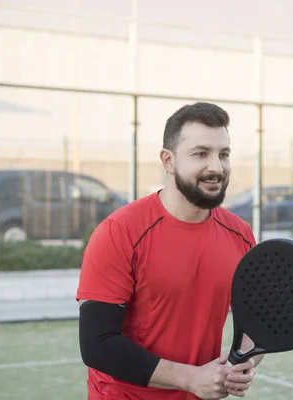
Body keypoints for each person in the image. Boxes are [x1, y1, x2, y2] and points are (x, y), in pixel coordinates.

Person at [77, 102, 264, 400]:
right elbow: (97, 343)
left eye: (223, 154)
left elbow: (255, 322)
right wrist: (191, 377)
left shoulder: (240, 235)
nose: (216, 166)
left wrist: (244, 363)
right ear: (168, 160)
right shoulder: (120, 232)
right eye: (201, 154)